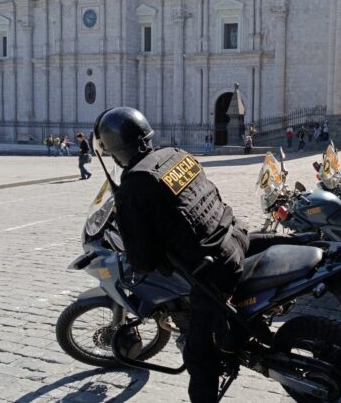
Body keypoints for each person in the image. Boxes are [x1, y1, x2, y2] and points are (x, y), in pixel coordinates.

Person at [93, 107, 249, 403]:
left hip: (214, 270)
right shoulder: (176, 154)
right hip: (235, 236)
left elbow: (143, 261)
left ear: (115, 150)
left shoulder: (134, 185)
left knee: (199, 357)